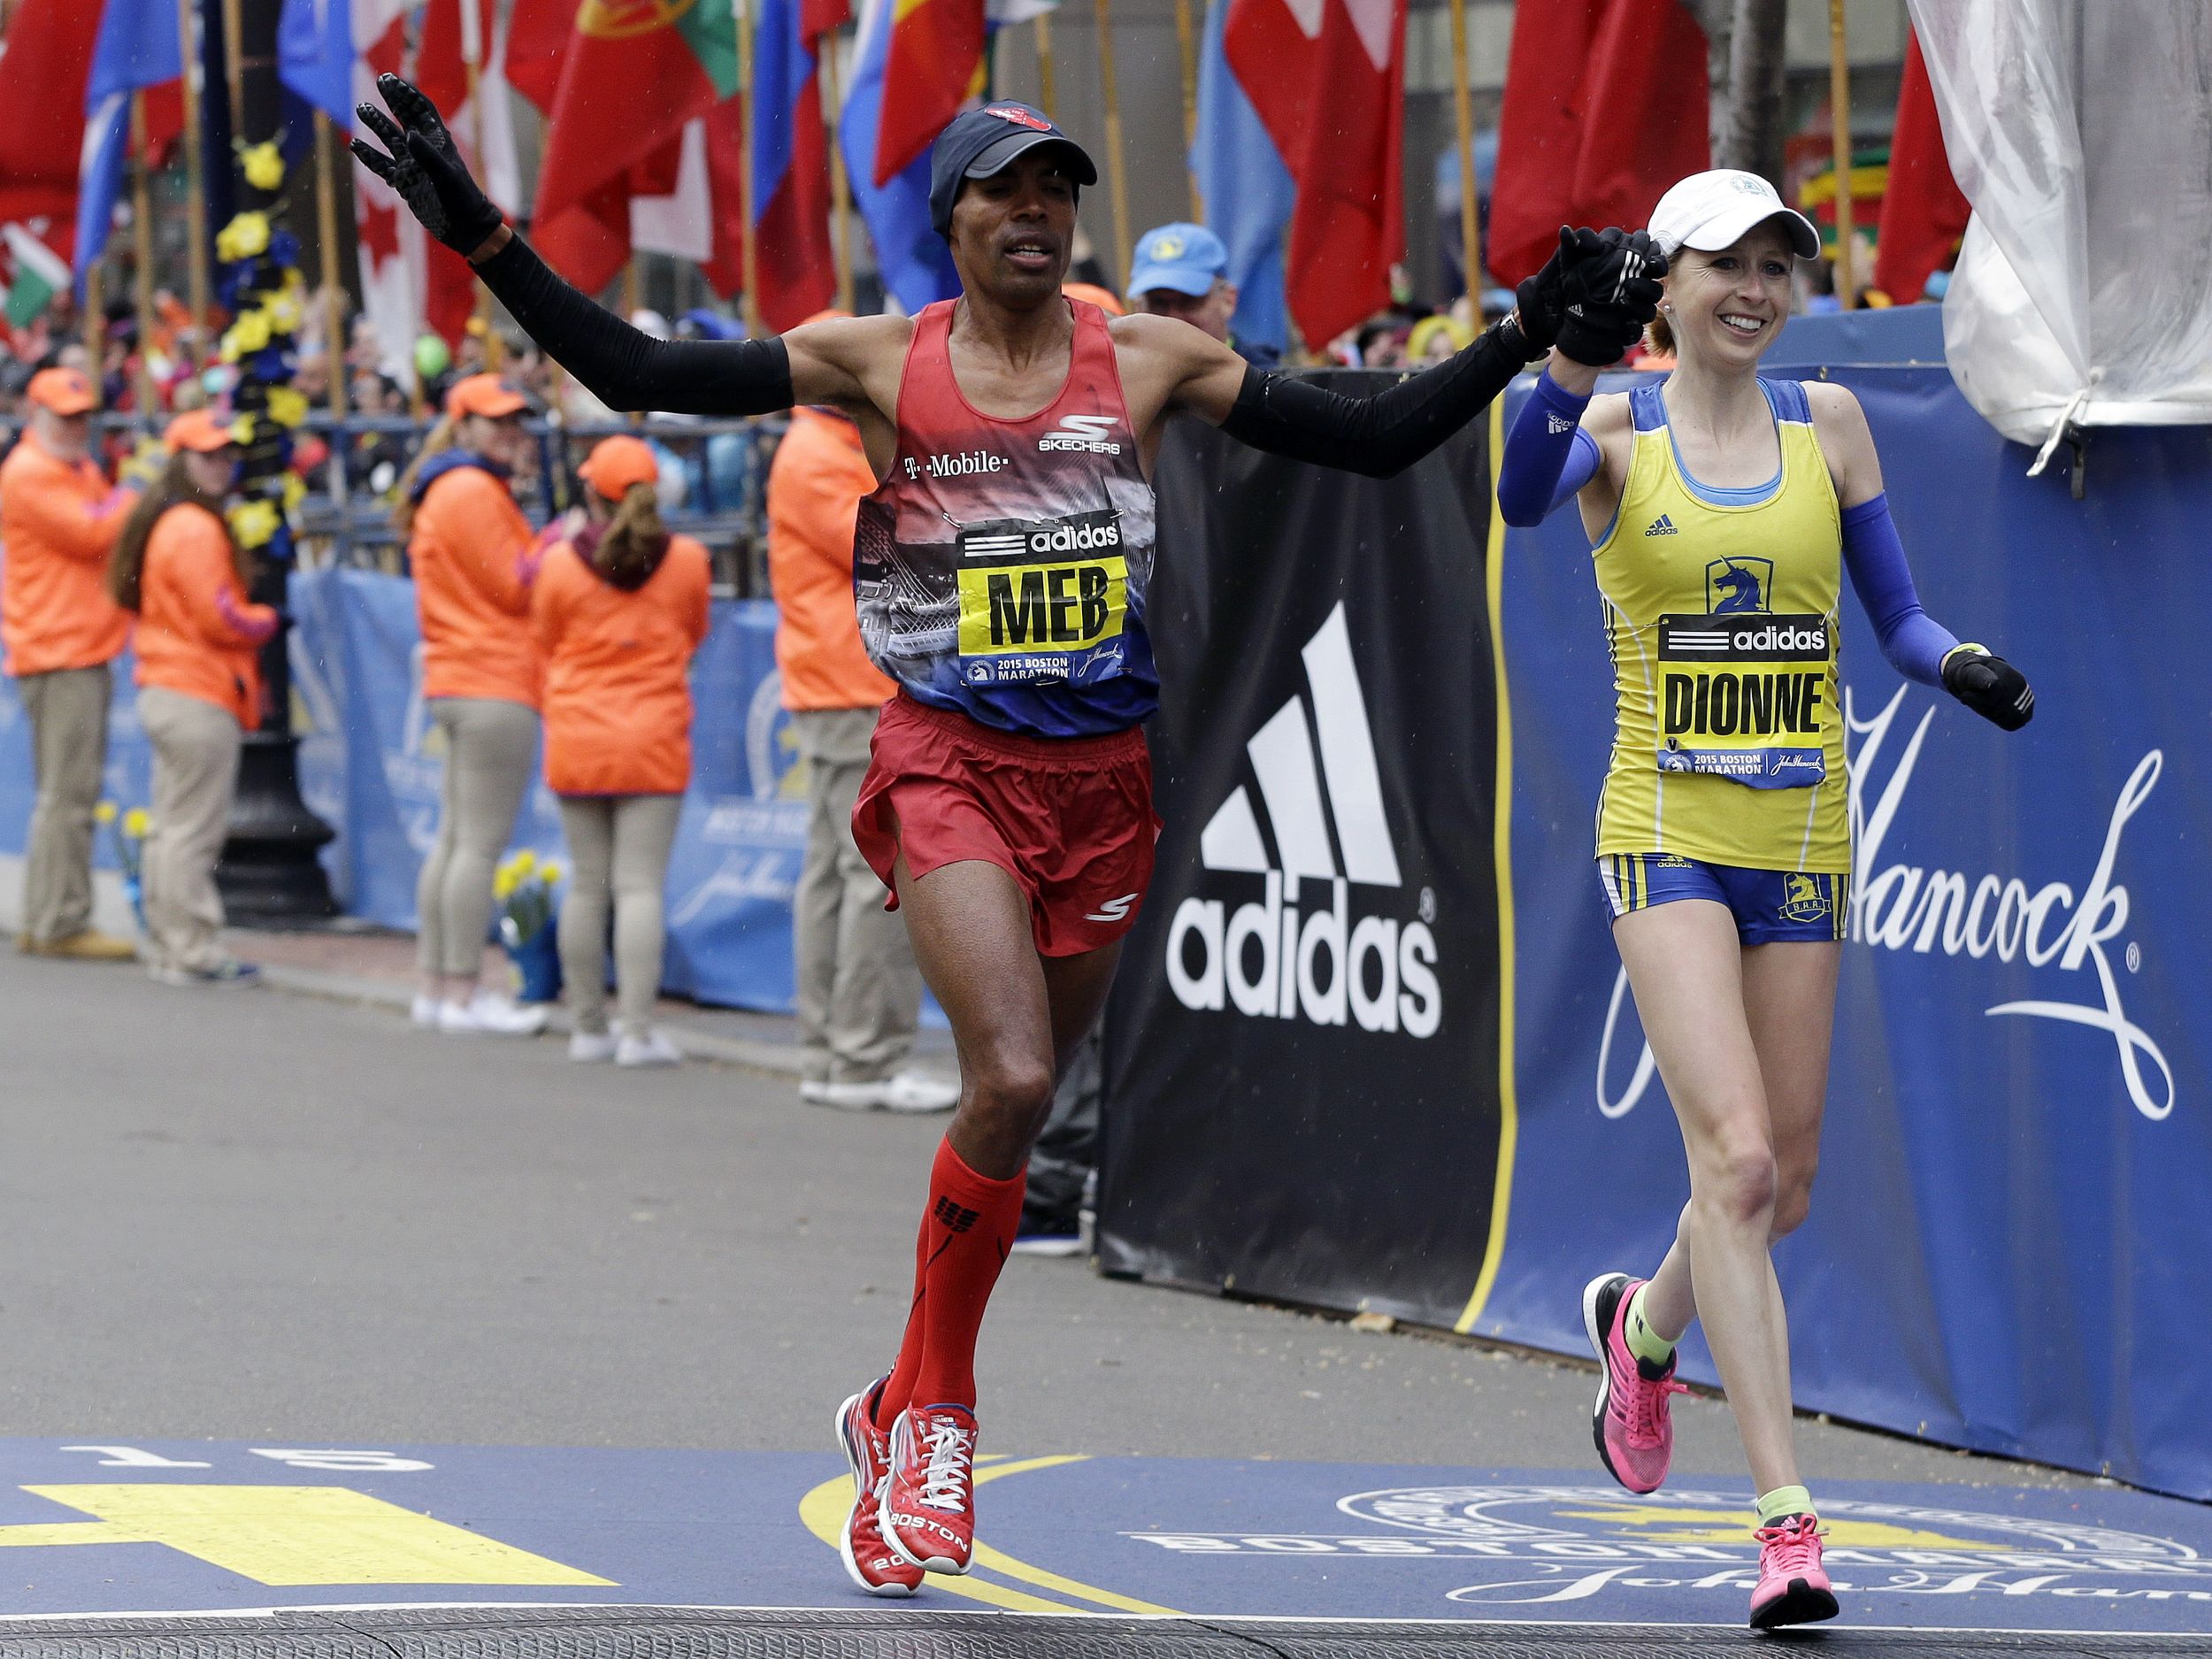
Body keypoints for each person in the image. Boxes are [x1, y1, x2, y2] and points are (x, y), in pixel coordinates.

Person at [355, 77, 1638, 1596]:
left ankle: (889, 1408)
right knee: (1012, 1071)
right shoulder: (875, 361)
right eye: (1003, 192)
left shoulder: (1145, 354)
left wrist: (1526, 334)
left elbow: (1367, 441)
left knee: (1021, 1116)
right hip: (950, 761)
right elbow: (637, 367)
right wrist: (485, 237)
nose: (1036, 214)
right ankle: (946, 1418)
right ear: (951, 223)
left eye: (1057, 192)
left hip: (1102, 785)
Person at [1494, 170, 2034, 1631]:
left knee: (1779, 1186)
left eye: (1779, 266)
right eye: (1726, 264)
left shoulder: (1833, 427)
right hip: (1661, 832)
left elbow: (1898, 615)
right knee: (1729, 1165)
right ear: (1666, 285)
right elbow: (1517, 491)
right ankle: (1787, 1521)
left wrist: (1956, 666)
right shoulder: (1617, 428)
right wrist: (1566, 355)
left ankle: (1643, 1328)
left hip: (1804, 834)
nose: (1755, 289)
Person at [767, 376, 954, 1114]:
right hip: (852, 682)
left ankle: (833, 1051)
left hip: (839, 681)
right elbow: (893, 544)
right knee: (873, 874)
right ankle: (863, 1056)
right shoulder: (815, 453)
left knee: (833, 870)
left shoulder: (821, 446)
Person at [532, 435, 709, 1068]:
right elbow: (694, 630)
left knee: (588, 886)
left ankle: (587, 1026)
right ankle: (636, 1031)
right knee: (639, 889)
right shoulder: (687, 558)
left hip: (579, 737)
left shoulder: (556, 563)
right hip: (653, 739)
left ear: (591, 493)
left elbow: (545, 637)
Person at [397, 372, 549, 1036]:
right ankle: (459, 991)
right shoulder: (472, 489)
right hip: (492, 679)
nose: (510, 433)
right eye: (497, 422)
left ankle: (437, 987)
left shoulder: (448, 484)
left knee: (457, 840)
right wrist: (559, 542)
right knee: (475, 846)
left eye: (515, 421)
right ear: (462, 426)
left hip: (460, 677)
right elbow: (518, 587)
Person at [107, 411, 275, 986]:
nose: (222, 464)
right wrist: (265, 620)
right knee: (191, 830)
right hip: (195, 690)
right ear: (181, 460)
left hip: (169, 686)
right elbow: (220, 614)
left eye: (227, 455)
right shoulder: (195, 525)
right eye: (209, 455)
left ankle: (168, 942)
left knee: (170, 826)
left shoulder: (170, 519)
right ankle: (192, 947)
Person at [0, 365, 138, 960]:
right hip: (60, 649)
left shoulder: (70, 466)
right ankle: (59, 921)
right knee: (67, 794)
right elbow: (93, 534)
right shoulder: (31, 473)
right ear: (36, 414)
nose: (77, 426)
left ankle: (49, 917)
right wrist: (136, 492)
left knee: (66, 792)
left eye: (83, 416)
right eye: (66, 416)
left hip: (73, 644)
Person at [1125, 222, 1276, 366]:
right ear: (1138, 309)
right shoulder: (1119, 387)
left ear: (1228, 300)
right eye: (1158, 304)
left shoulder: (1269, 388)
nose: (1173, 319)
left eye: (1189, 302)